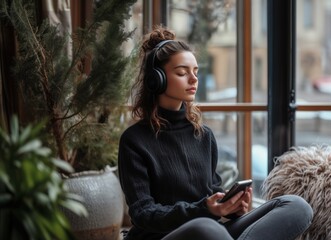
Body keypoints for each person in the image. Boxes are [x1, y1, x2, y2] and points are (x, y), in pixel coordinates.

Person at [118, 26, 313, 240]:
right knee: (206, 228)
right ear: (157, 79)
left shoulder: (203, 135)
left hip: (212, 232)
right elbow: (143, 213)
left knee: (296, 206)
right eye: (182, 73)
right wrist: (203, 210)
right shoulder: (134, 140)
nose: (193, 79)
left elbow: (212, 193)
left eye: (196, 72)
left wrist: (232, 206)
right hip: (164, 236)